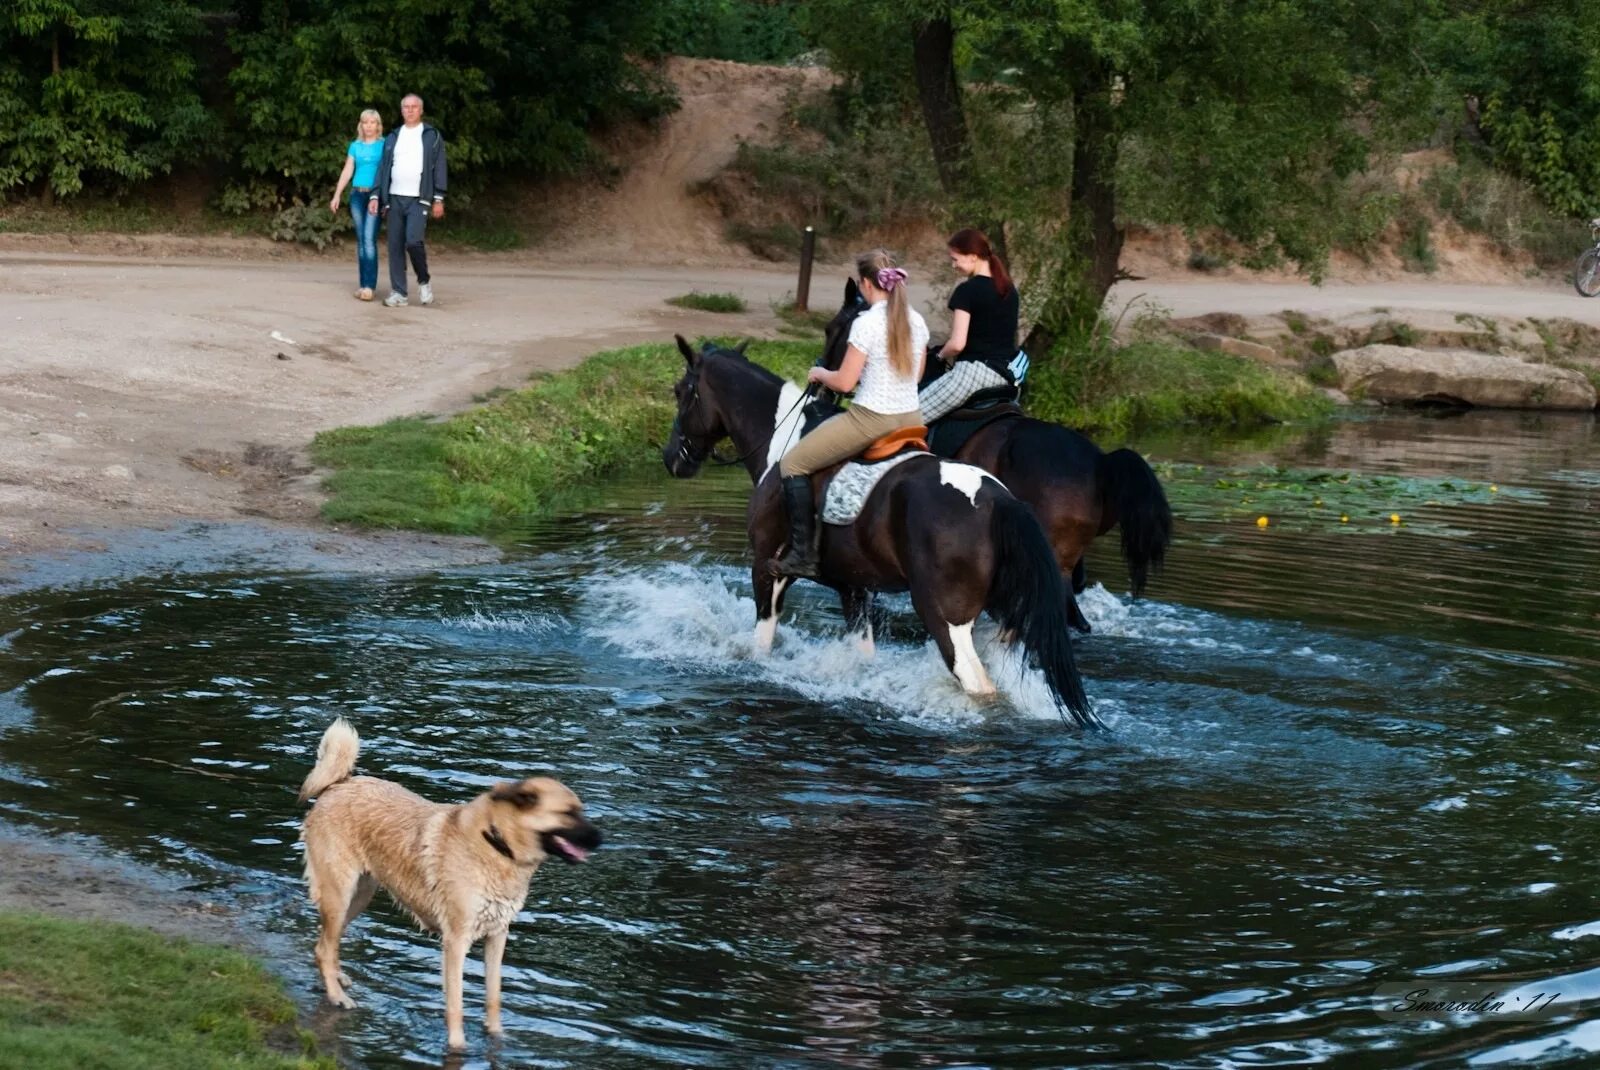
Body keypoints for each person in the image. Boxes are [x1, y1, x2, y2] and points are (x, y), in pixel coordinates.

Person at [772, 249, 929, 579]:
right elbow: (915, 377)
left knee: (792, 465)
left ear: (866, 284)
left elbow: (844, 383)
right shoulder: (917, 321)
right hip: (912, 420)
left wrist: (820, 375)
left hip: (871, 419)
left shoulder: (866, 323)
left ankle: (803, 555)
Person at [917, 228, 1023, 422]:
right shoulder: (1010, 291)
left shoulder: (967, 290)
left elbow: (958, 344)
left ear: (973, 257)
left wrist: (939, 356)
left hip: (974, 374)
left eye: (955, 259)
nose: (953, 265)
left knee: (908, 419)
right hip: (1007, 377)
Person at [373, 93, 447, 307]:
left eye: (414, 107)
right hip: (394, 198)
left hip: (419, 199)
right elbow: (384, 167)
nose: (410, 110)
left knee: (413, 242)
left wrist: (439, 198)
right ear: (401, 110)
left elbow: (440, 166)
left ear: (421, 110)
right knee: (395, 246)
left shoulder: (431, 135)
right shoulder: (394, 136)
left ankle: (424, 281)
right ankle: (399, 292)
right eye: (406, 107)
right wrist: (378, 194)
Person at [328, 109, 385, 301]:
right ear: (361, 125)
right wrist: (337, 195)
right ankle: (363, 286)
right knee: (361, 241)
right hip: (357, 195)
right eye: (365, 122)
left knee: (369, 239)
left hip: (374, 196)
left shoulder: (384, 145)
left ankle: (370, 286)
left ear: (378, 125)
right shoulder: (355, 146)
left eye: (372, 122)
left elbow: (388, 173)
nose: (369, 126)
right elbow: (347, 170)